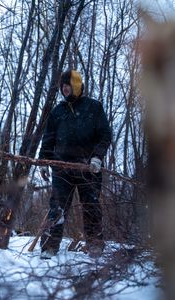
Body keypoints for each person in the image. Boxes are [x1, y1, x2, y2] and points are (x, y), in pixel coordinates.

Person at [38, 69, 112, 259]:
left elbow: (105, 135)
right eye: (62, 87)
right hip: (61, 168)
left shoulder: (94, 108)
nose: (64, 90)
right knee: (57, 207)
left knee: (91, 206)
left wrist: (97, 157)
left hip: (89, 168)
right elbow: (48, 138)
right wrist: (43, 161)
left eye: (68, 86)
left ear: (77, 86)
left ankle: (95, 245)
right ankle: (49, 247)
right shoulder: (57, 112)